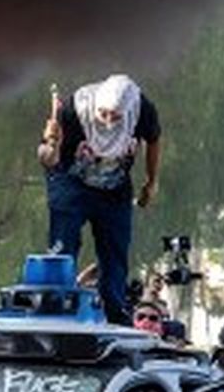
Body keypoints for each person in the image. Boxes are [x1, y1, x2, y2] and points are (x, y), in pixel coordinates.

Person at [37, 74, 163, 325]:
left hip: (114, 187)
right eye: (103, 114)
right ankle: (57, 304)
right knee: (63, 244)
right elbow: (48, 160)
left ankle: (114, 310)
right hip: (71, 182)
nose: (107, 121)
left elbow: (154, 139)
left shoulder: (141, 109)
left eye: (115, 116)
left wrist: (152, 181)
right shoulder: (74, 109)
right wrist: (51, 142)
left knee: (115, 250)